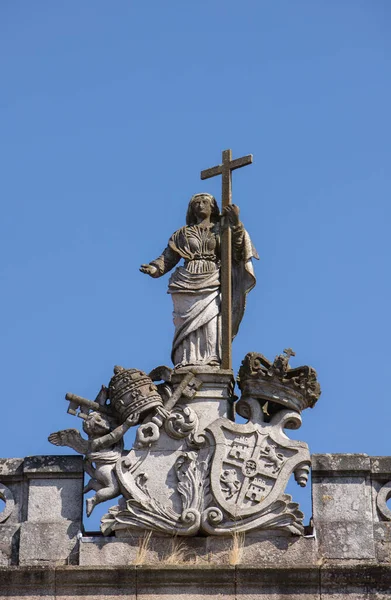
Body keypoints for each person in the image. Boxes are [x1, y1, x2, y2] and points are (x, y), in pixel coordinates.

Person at [140, 193, 258, 369]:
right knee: (185, 323)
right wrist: (155, 268)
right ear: (191, 208)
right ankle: (186, 359)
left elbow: (238, 251)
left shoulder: (222, 229)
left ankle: (211, 357)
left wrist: (236, 224)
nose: (200, 205)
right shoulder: (182, 234)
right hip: (185, 282)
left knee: (211, 319)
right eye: (196, 202)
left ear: (213, 207)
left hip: (212, 278)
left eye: (205, 202)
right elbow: (168, 257)